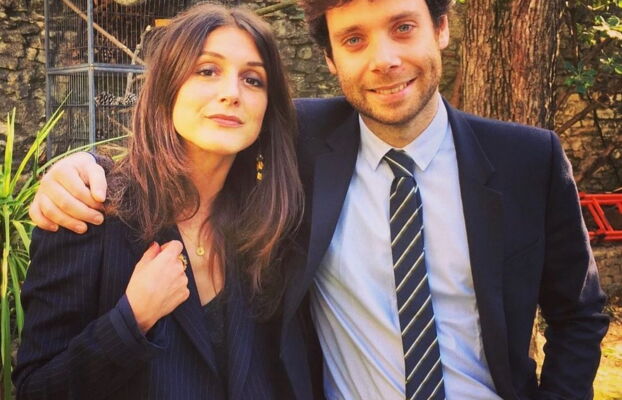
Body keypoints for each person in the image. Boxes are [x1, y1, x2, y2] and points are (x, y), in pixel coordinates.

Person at [29, 0, 610, 399]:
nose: (384, 59)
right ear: (331, 61)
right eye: (354, 40)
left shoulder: (527, 160)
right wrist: (80, 169)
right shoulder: (300, 144)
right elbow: (190, 138)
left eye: (403, 27)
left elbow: (579, 314)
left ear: (441, 28)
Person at [13, 3, 307, 400]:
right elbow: (35, 390)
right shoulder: (90, 212)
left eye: (253, 80)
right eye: (207, 71)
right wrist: (130, 320)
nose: (232, 94)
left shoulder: (270, 229)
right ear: (167, 85)